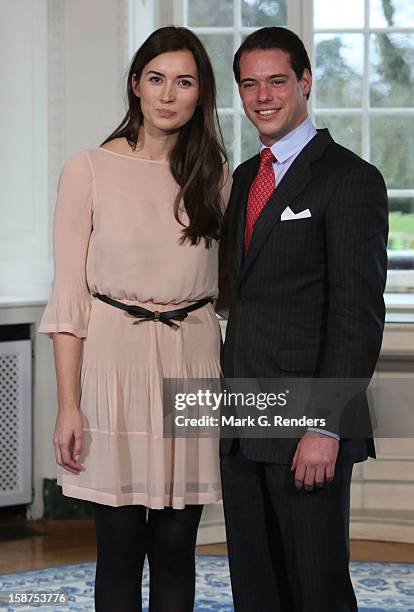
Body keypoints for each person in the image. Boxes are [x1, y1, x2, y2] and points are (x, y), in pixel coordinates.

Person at [38, 26, 230, 612]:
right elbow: (69, 297)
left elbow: (233, 293)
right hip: (113, 367)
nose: (168, 94)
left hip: (192, 366)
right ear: (135, 86)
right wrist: (69, 405)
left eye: (184, 81)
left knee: (176, 549)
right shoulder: (89, 169)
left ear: (201, 94)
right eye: (156, 79)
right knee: (118, 549)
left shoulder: (217, 175)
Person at [218, 27, 388, 612]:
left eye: (277, 80)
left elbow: (356, 314)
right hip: (242, 421)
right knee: (255, 591)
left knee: (316, 590)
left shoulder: (350, 179)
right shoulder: (244, 178)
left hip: (305, 428)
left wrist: (325, 426)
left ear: (305, 83)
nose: (263, 95)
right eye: (249, 84)